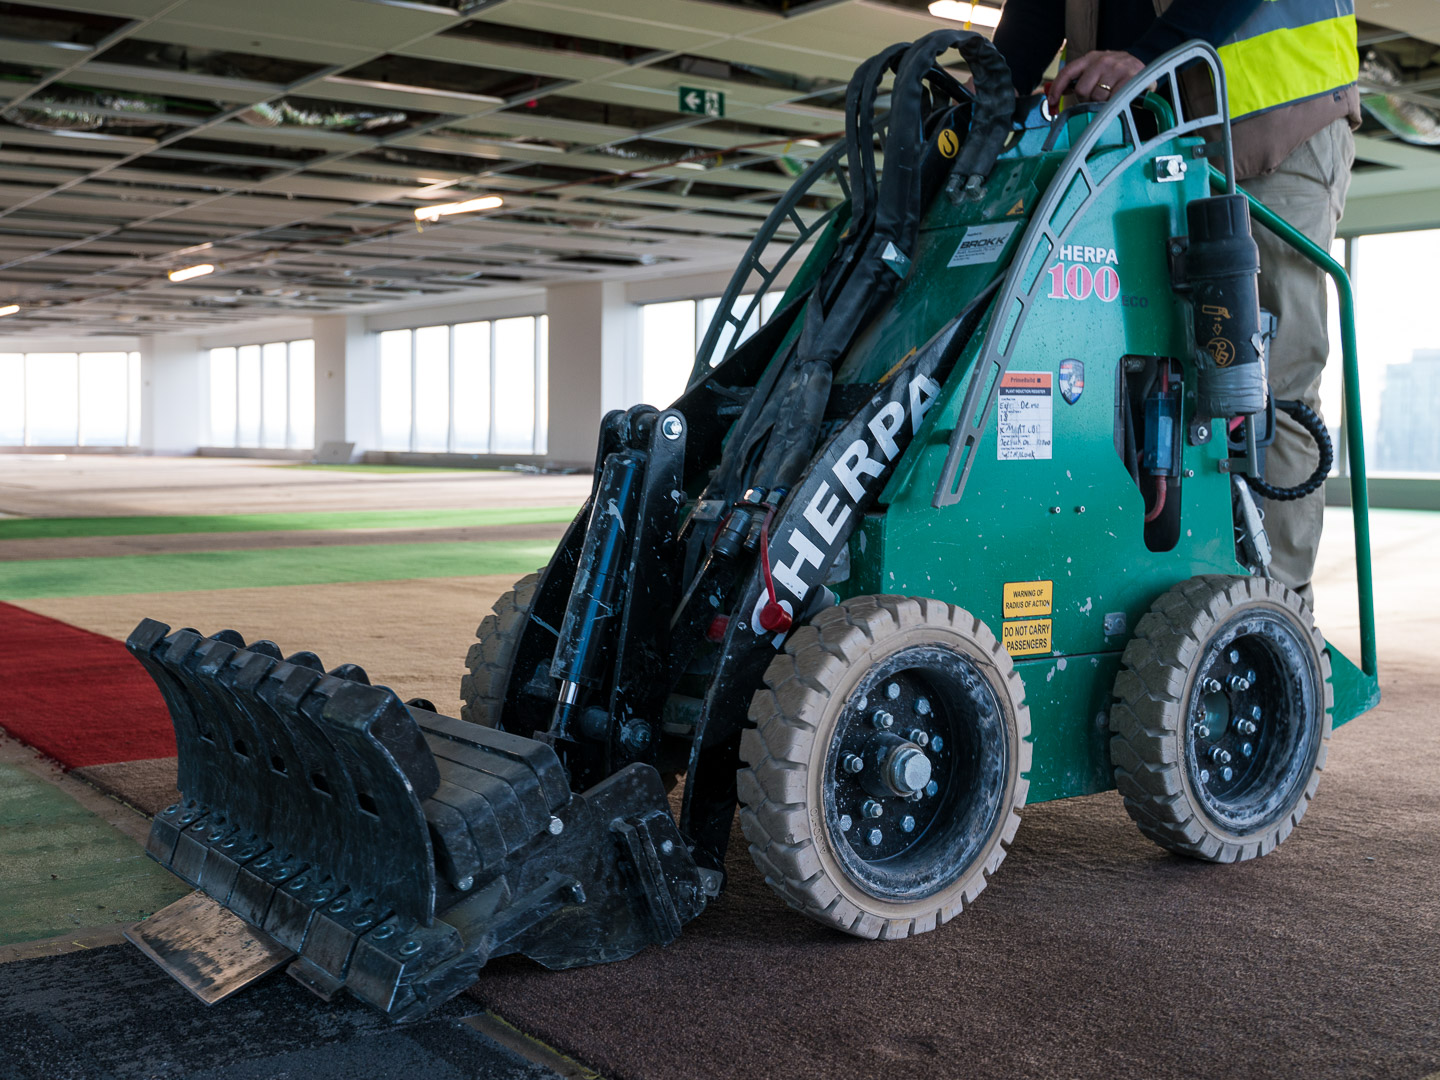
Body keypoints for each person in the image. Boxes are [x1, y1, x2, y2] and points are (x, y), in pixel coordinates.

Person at [991, 0, 1359, 606]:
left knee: (1266, 378)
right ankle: (1148, 598)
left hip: (1271, 119)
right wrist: (991, 93)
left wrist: (1155, 49)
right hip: (1135, 129)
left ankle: (1277, 613)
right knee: (1127, 363)